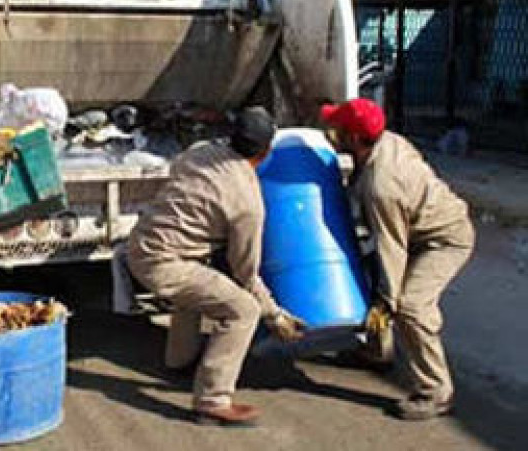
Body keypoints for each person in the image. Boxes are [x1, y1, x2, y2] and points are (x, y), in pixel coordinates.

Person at [127, 107, 306, 427]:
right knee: (242, 309)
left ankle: (179, 360)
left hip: (141, 244)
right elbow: (246, 275)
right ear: (265, 153)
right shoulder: (247, 203)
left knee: (198, 284)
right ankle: (212, 400)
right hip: (163, 262)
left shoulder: (199, 152)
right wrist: (274, 314)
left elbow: (184, 175)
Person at [320, 98, 474, 420]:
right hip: (415, 228)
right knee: (371, 271)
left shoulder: (383, 186)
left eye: (339, 129)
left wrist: (387, 300)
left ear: (355, 139)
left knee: (409, 306)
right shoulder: (385, 142)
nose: (332, 132)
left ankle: (436, 391)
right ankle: (377, 353)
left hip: (445, 240)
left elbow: (392, 246)